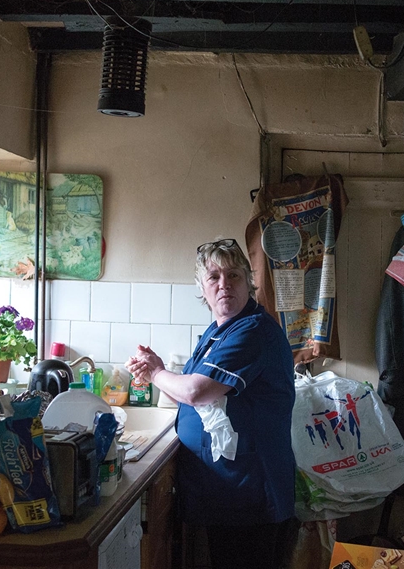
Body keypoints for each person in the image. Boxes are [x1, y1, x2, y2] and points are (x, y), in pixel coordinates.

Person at [125, 238, 295, 569]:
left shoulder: (253, 331)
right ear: (202, 289)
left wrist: (156, 371)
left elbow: (196, 392)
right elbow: (191, 392)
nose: (223, 285)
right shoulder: (219, 331)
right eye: (214, 277)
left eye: (233, 275)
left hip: (251, 492)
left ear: (249, 282)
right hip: (229, 489)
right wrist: (156, 370)